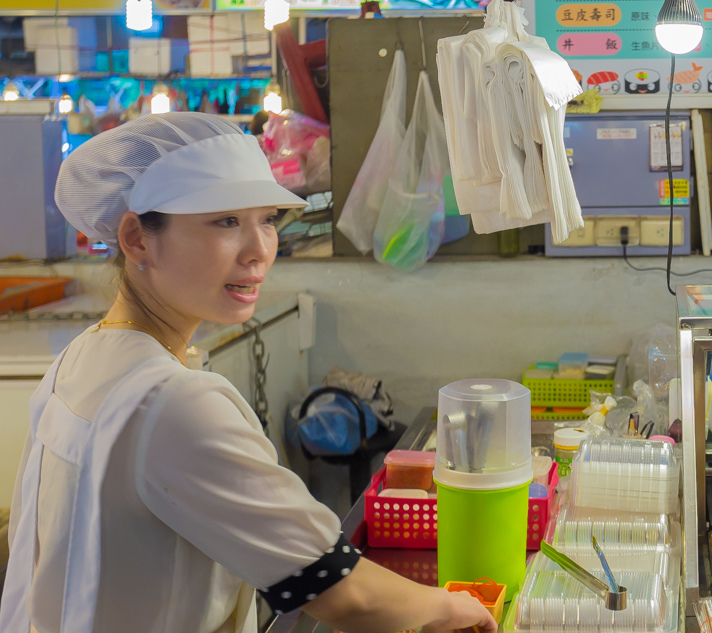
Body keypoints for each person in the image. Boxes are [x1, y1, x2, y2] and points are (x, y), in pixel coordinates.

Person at [0, 113, 497, 633]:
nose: (259, 249)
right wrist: (450, 606)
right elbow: (340, 592)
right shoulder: (170, 402)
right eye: (226, 221)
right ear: (136, 238)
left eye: (267, 219)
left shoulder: (80, 359)